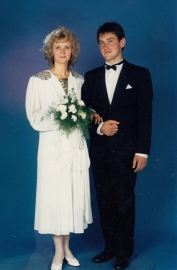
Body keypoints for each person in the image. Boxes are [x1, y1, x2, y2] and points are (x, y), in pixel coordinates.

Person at [82, 22, 153, 270]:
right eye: (101, 43)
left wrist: (142, 151)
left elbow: (145, 116)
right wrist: (100, 128)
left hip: (126, 152)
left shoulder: (140, 74)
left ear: (122, 42)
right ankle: (110, 247)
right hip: (100, 151)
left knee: (124, 201)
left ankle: (124, 251)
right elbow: (83, 116)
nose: (105, 47)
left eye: (110, 41)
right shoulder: (90, 78)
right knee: (104, 200)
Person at [26, 27, 96, 270]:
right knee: (56, 199)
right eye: (58, 47)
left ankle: (67, 248)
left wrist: (80, 116)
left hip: (75, 148)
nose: (63, 51)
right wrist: (61, 117)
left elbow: (86, 114)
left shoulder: (79, 80)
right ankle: (58, 252)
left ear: (72, 50)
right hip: (53, 151)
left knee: (71, 197)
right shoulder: (38, 80)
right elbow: (35, 118)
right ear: (51, 51)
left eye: (67, 47)